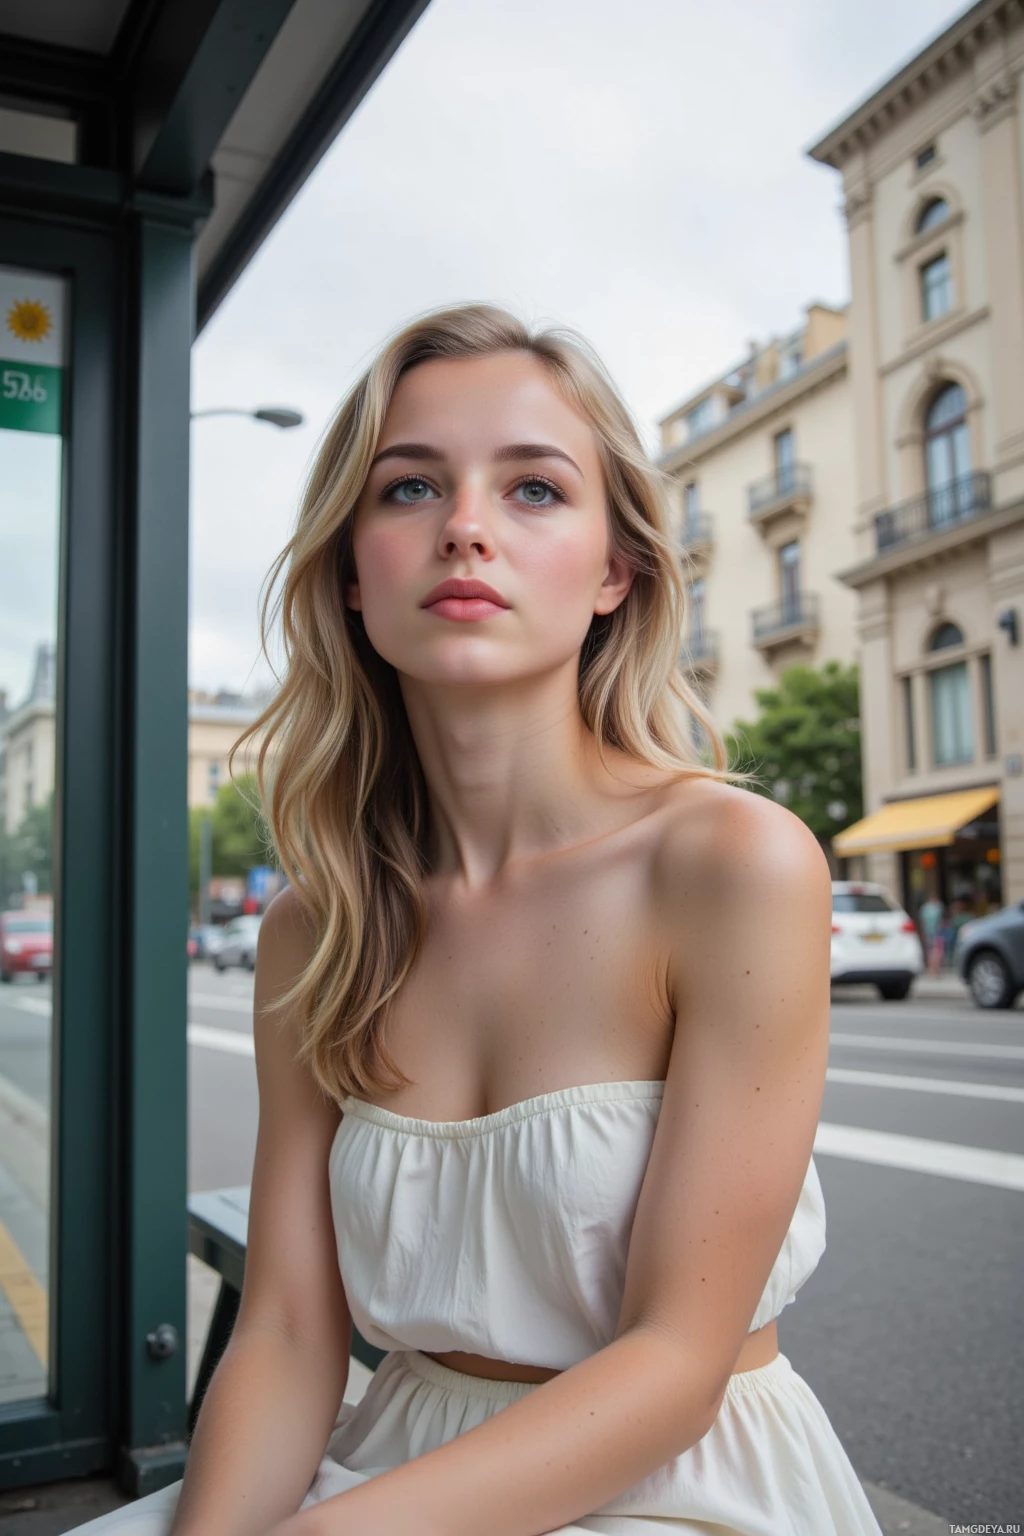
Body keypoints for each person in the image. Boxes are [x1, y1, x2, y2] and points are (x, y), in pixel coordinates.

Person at [69, 304, 883, 1535]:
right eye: (408, 490)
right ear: (351, 571)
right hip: (390, 1458)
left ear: (616, 571)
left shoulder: (732, 862)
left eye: (535, 490)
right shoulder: (316, 925)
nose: (464, 526)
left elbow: (674, 1362)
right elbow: (289, 1331)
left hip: (679, 1487)